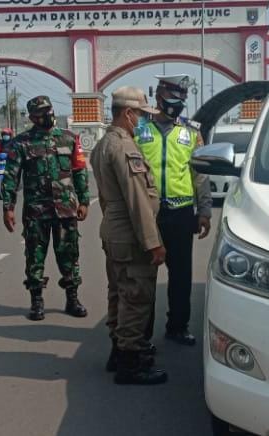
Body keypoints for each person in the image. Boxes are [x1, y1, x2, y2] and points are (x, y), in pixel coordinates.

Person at [91, 86, 169, 385]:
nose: (143, 121)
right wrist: (154, 243)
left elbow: (106, 197)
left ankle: (118, 351)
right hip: (131, 235)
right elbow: (138, 200)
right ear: (127, 113)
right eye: (140, 115)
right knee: (136, 297)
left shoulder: (103, 145)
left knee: (118, 294)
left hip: (114, 232)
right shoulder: (125, 148)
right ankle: (130, 363)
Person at [136, 74, 212, 346]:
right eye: (171, 98)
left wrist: (204, 210)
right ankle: (140, 333)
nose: (176, 104)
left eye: (181, 99)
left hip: (181, 213)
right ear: (158, 97)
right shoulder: (140, 128)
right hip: (148, 213)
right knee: (144, 276)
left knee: (181, 275)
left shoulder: (191, 131)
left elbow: (200, 174)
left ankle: (178, 326)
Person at [1, 96, 90, 321]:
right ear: (32, 117)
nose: (47, 115)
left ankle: (72, 298)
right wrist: (8, 207)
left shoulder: (69, 139)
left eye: (49, 110)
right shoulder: (21, 143)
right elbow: (11, 177)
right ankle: (36, 301)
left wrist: (84, 200)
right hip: (36, 212)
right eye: (41, 113)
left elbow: (79, 171)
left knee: (69, 255)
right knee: (34, 256)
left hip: (66, 210)